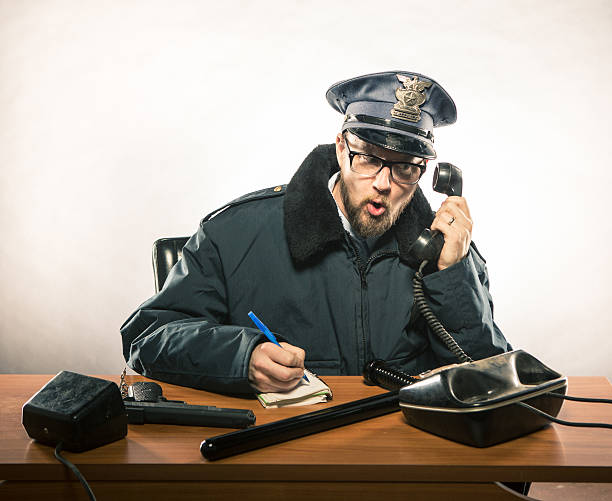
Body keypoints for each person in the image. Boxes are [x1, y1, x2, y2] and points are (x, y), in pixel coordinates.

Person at [120, 71, 511, 396]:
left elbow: (496, 380)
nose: (383, 183)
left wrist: (452, 275)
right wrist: (242, 358)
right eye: (369, 158)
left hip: (406, 458)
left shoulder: (447, 250)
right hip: (278, 463)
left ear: (427, 170)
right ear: (341, 148)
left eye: (405, 168)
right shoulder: (234, 232)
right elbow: (148, 336)